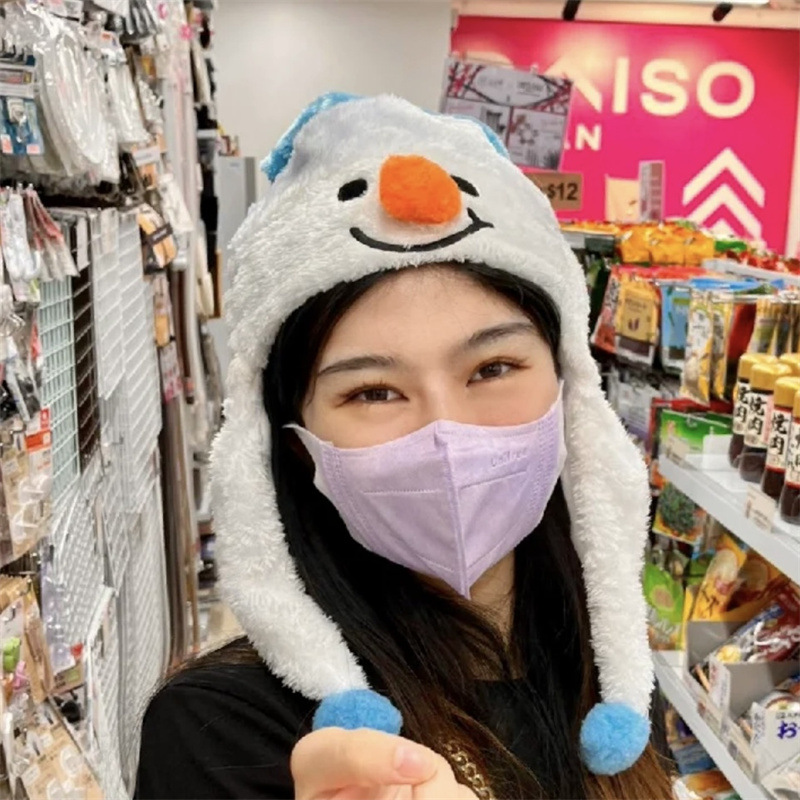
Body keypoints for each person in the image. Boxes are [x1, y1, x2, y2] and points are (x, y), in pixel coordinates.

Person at [135, 94, 673, 800]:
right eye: (373, 392)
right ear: (295, 441)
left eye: (493, 368)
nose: (446, 433)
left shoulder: (610, 676)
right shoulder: (220, 732)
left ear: (570, 389)